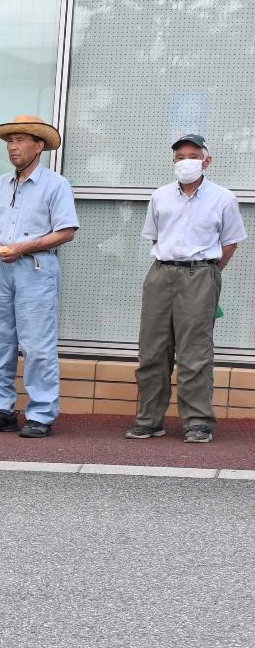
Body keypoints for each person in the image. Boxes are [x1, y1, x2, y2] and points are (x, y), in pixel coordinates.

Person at [128, 134, 245, 445]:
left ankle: (197, 423)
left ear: (207, 161)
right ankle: (150, 420)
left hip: (200, 274)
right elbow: (155, 238)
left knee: (195, 353)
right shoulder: (160, 196)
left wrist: (208, 273)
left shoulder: (223, 198)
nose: (185, 161)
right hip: (161, 274)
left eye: (193, 155)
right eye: (180, 156)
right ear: (173, 161)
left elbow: (230, 242)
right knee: (152, 350)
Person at [0, 116, 79, 438]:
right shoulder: (0, 184)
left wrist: (23, 246)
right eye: (10, 141)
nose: (13, 148)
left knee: (37, 344)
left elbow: (66, 231)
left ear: (39, 145)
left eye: (20, 141)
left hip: (37, 267)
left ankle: (41, 413)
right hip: (2, 268)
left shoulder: (56, 184)